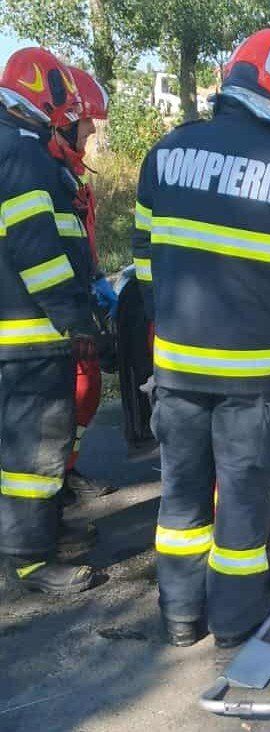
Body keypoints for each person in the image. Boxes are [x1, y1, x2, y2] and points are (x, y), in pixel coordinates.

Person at [132, 28, 270, 648]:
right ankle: (231, 621)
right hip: (250, 378)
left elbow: (144, 260)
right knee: (242, 501)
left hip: (175, 367)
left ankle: (180, 618)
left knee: (181, 498)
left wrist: (166, 326)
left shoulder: (165, 153)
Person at [0, 47, 102, 594]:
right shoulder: (22, 153)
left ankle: (40, 535)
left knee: (28, 444)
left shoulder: (15, 147)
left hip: (22, 330)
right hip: (31, 334)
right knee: (34, 450)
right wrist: (74, 317)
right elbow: (36, 249)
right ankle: (30, 560)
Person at [47, 66, 117, 503]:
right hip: (51, 310)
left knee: (85, 388)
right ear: (64, 121)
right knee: (65, 396)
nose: (91, 131)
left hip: (76, 294)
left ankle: (64, 473)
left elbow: (77, 238)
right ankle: (50, 491)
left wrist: (95, 278)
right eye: (87, 122)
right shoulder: (42, 175)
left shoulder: (67, 172)